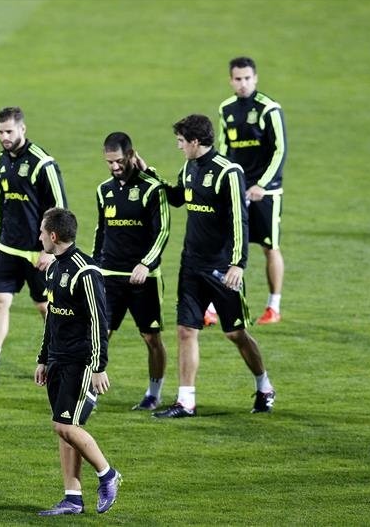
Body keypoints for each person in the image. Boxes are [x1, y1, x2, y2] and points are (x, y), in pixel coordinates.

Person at [153, 115, 276, 418]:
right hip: (191, 264)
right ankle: (186, 401)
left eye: (181, 141)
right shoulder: (190, 167)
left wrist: (238, 264)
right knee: (185, 330)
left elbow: (240, 220)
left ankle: (264, 385)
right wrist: (149, 176)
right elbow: (179, 198)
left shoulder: (229, 172)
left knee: (235, 334)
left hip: (222, 268)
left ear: (195, 142)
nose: (179, 147)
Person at [34, 208, 122, 516]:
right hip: (57, 359)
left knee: (64, 424)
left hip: (79, 361)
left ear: (54, 236)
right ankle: (72, 497)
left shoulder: (87, 272)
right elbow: (52, 319)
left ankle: (108, 474)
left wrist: (98, 366)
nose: (40, 236)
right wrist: (43, 359)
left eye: (42, 232)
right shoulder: (54, 268)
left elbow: (99, 321)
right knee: (65, 426)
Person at [0, 106, 68, 385]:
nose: (4, 137)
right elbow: (4, 204)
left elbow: (59, 210)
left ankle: (61, 360)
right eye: (0, 132)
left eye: (9, 131)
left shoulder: (43, 163)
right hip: (8, 247)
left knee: (46, 308)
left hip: (36, 251)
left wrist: (49, 251)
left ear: (22, 129)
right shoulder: (1, 162)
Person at [92, 132, 170, 411]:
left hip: (143, 279)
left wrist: (146, 263)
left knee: (151, 337)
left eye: (118, 161)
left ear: (131, 154)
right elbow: (101, 231)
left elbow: (162, 231)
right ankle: (90, 392)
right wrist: (94, 265)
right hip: (110, 276)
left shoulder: (152, 188)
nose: (114, 167)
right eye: (109, 162)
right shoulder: (104, 191)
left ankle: (154, 393)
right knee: (101, 333)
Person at [217, 56, 287, 325]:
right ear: (231, 80)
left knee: (269, 246)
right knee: (225, 245)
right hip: (237, 189)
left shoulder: (269, 108)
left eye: (247, 78)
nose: (243, 83)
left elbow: (280, 150)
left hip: (266, 192)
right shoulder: (226, 109)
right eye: (238, 79)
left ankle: (273, 306)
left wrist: (263, 185)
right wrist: (223, 182)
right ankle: (214, 305)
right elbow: (224, 150)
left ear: (255, 78)